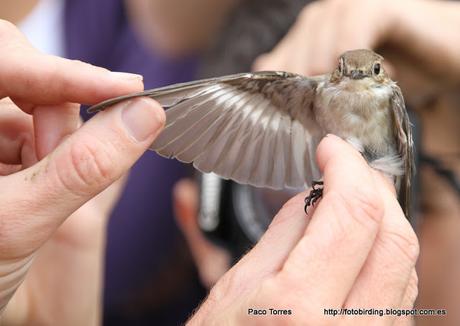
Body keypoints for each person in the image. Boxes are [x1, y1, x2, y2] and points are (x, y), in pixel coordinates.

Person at [0, 19, 418, 325]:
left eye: (372, 73)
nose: (358, 82)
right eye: (348, 73)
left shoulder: (391, 101)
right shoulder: (311, 93)